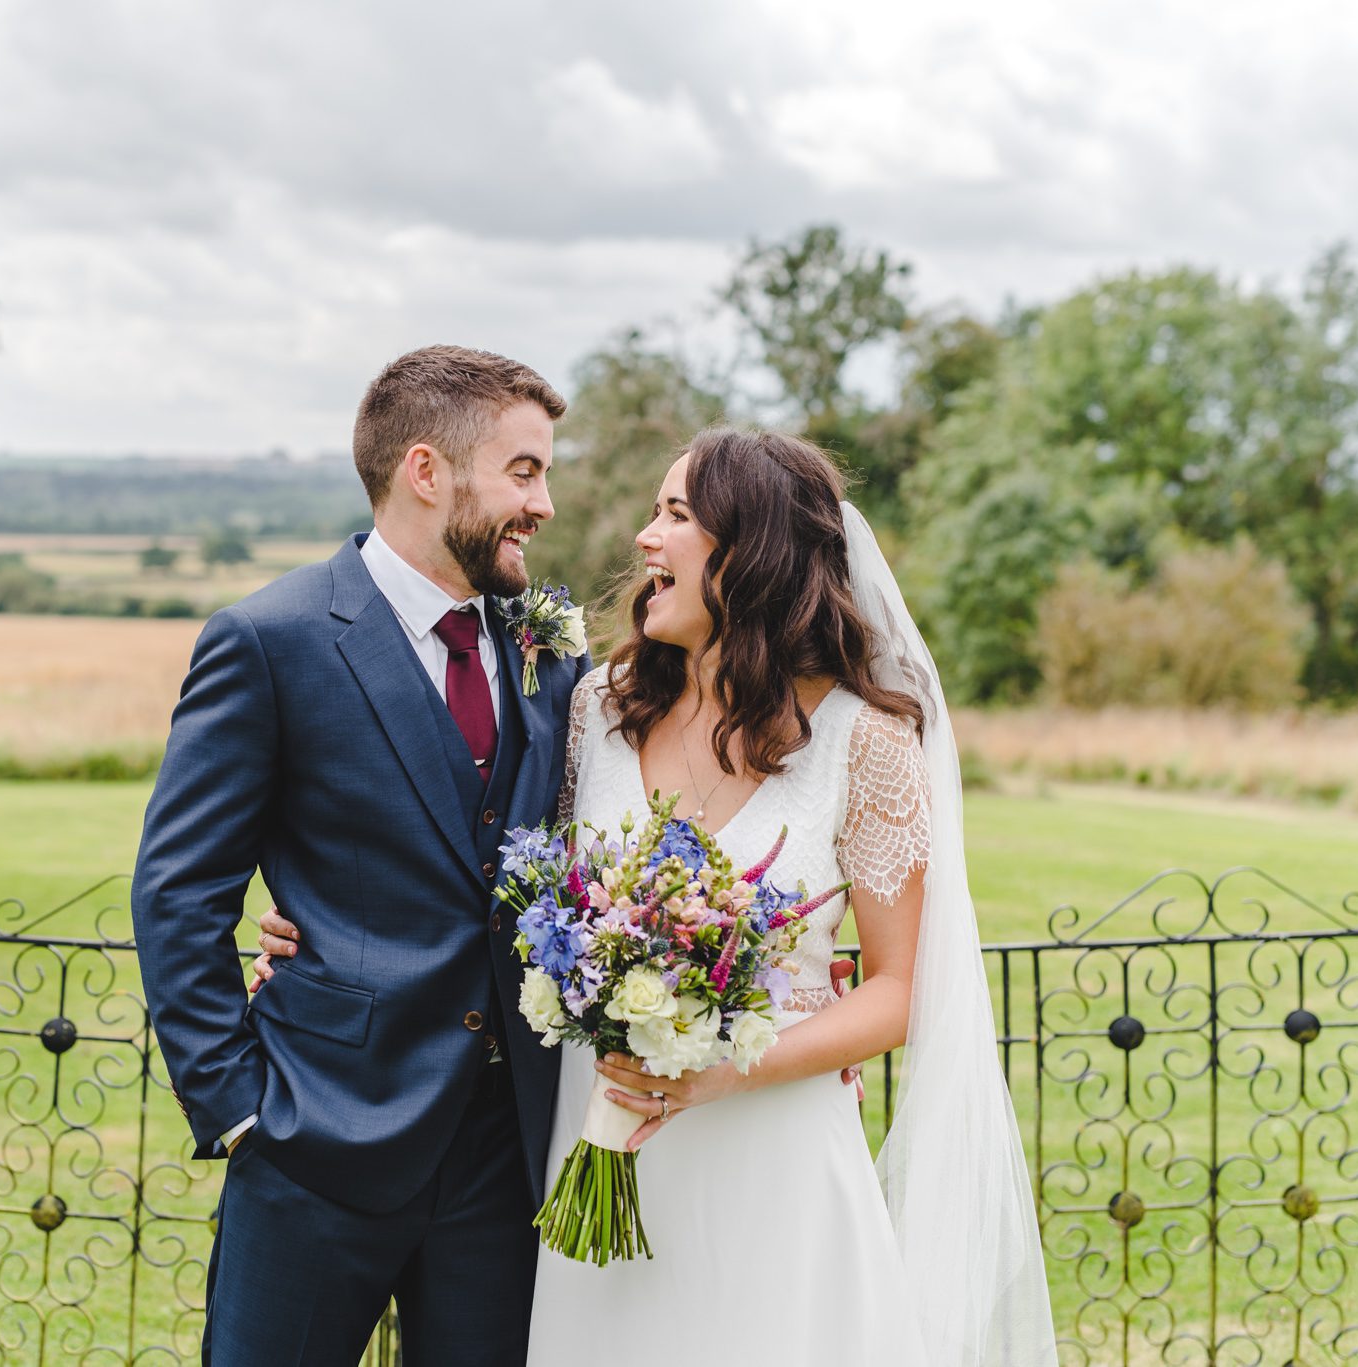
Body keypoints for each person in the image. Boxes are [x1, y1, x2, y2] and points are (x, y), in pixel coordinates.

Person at [264, 427, 1057, 1364]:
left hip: (773, 1156)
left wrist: (731, 1066)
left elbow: (898, 988)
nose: (645, 537)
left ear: (753, 548)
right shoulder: (597, 710)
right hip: (595, 1143)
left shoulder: (862, 743)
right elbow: (496, 876)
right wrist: (331, 930)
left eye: (675, 514)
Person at [130, 344, 586, 1367]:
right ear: (426, 471)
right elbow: (178, 890)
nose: (544, 503)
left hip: (500, 1154)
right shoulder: (271, 639)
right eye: (523, 471)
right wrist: (240, 1108)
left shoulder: (549, 653)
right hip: (314, 1141)